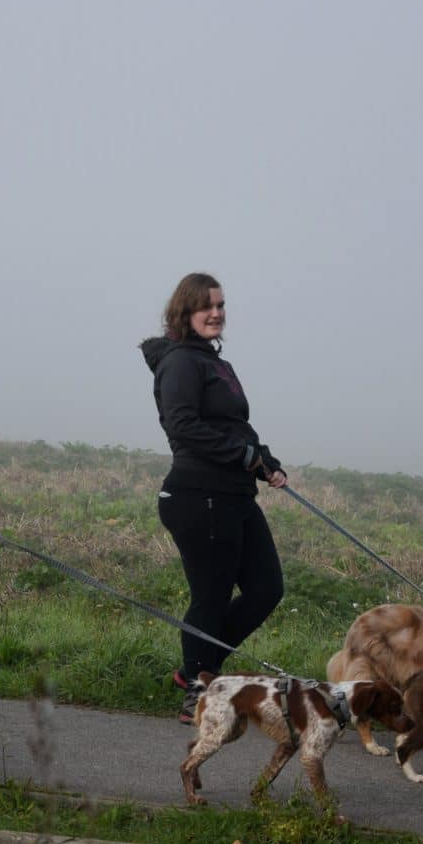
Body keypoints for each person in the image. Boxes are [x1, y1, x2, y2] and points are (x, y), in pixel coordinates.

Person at [141, 273, 286, 723]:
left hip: (235, 495)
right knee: (211, 596)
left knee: (266, 589)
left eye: (221, 305)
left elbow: (236, 428)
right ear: (184, 313)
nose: (217, 313)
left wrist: (263, 459)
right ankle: (197, 690)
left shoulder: (215, 362)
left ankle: (199, 671)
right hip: (197, 496)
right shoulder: (182, 362)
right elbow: (181, 426)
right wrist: (240, 454)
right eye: (206, 306)